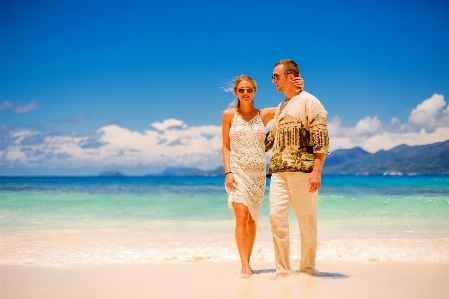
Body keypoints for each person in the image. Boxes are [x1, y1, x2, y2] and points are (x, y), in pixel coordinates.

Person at [222, 74, 303, 278]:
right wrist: (228, 172)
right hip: (237, 173)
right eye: (242, 90)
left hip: (257, 175)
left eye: (249, 89)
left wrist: (298, 89)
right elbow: (225, 146)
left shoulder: (264, 114)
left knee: (251, 220)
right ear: (236, 92)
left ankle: (247, 260)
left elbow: (291, 106)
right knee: (241, 215)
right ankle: (244, 265)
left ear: (255, 91)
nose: (246, 93)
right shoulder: (228, 115)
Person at [265, 59, 329, 278]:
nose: (273, 80)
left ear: (290, 77)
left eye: (276, 76)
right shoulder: (281, 107)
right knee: (276, 218)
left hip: (303, 173)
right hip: (278, 173)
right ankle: (282, 269)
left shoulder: (310, 102)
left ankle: (307, 269)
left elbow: (321, 140)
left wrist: (316, 172)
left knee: (307, 222)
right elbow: (269, 140)